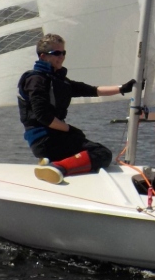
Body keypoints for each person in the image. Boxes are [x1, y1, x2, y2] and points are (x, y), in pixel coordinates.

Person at [18, 33, 135, 184]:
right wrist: (69, 129)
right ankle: (58, 167)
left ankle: (50, 162)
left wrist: (122, 88)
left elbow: (93, 90)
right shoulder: (35, 80)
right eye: (56, 53)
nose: (61, 57)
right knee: (102, 153)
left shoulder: (59, 80)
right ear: (43, 56)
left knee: (85, 143)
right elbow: (43, 116)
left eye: (63, 53)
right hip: (44, 139)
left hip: (53, 138)